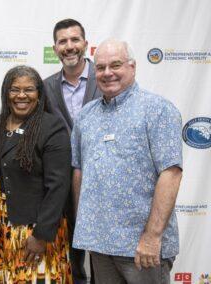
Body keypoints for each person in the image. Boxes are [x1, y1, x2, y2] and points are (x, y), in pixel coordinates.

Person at [71, 38, 183, 283]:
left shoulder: (158, 110)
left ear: (132, 67)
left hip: (141, 248)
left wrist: (152, 237)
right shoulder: (85, 117)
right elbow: (79, 171)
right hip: (100, 245)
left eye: (116, 65)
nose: (107, 73)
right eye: (100, 67)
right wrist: (86, 227)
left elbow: (171, 173)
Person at [0, 65, 72, 283]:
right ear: (6, 93)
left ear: (39, 94)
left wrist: (41, 235)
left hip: (33, 228)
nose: (21, 95)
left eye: (28, 90)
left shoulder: (52, 127)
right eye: (14, 89)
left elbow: (58, 186)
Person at [44, 18, 102, 284]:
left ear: (86, 45)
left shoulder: (106, 80)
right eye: (62, 42)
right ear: (55, 48)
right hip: (65, 182)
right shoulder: (45, 88)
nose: (69, 46)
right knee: (72, 249)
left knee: (105, 254)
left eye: (74, 40)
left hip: (105, 178)